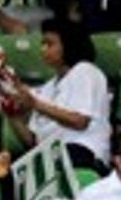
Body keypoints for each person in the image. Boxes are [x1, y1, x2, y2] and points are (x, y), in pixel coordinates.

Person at [7, 20, 112, 167]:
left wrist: (35, 104)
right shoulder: (47, 88)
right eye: (42, 44)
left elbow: (80, 121)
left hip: (83, 152)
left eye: (49, 44)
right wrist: (13, 116)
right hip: (52, 156)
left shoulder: (86, 71)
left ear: (69, 45)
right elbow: (33, 141)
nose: (43, 49)